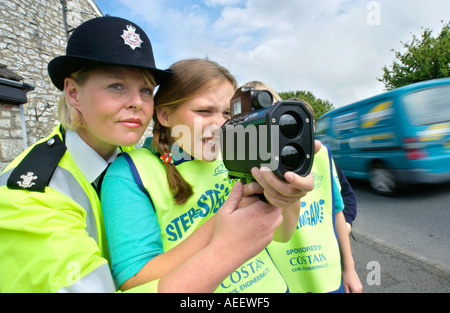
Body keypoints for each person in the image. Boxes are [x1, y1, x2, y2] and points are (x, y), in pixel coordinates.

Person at [101, 59, 317, 292]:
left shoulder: (238, 150)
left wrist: (287, 197)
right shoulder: (129, 174)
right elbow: (134, 279)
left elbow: (282, 234)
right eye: (204, 111)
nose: (219, 125)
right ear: (165, 116)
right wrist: (223, 228)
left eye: (227, 112)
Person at [0, 16, 174, 292]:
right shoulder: (31, 198)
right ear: (73, 93)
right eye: (117, 86)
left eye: (145, 90)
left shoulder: (128, 154)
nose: (137, 103)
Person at [242, 81, 362, 292]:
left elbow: (337, 211)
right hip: (286, 280)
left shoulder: (322, 154)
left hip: (329, 276)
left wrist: (349, 268)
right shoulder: (246, 167)